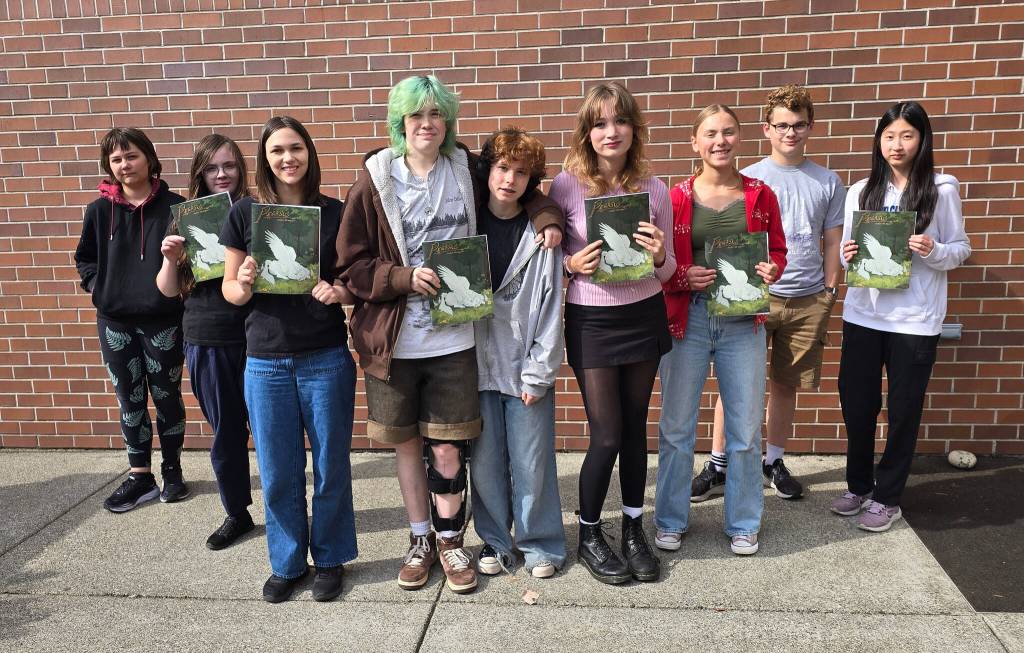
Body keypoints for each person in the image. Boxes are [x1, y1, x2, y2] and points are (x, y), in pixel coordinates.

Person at [337, 75, 562, 596]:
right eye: (416, 115)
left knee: (448, 450)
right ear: (400, 121)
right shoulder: (375, 178)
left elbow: (518, 187)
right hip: (394, 341)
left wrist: (548, 216)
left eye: (436, 114)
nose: (426, 124)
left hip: (456, 341)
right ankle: (419, 538)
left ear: (447, 122)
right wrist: (400, 278)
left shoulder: (464, 164)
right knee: (407, 445)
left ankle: (449, 538)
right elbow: (350, 264)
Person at [221, 116, 358, 603]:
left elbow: (353, 282)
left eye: (296, 148)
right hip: (265, 362)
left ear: (309, 153)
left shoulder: (335, 213)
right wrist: (246, 280)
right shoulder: (245, 214)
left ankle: (330, 558)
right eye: (277, 150)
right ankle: (286, 562)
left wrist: (337, 290)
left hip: (325, 357)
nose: (287, 158)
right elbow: (230, 290)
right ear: (265, 159)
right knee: (278, 470)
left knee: (330, 465)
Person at [695, 85, 845, 502]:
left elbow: (832, 241)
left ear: (810, 127)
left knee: (785, 383)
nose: (790, 133)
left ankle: (773, 461)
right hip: (753, 296)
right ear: (766, 129)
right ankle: (719, 462)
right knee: (733, 382)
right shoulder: (751, 180)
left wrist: (830, 292)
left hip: (807, 296)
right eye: (782, 125)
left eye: (798, 125)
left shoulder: (827, 181)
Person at [550, 81, 673, 584]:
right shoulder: (563, 185)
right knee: (605, 434)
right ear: (586, 131)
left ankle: (634, 528)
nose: (611, 131)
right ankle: (591, 532)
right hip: (592, 320)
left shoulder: (654, 187)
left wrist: (661, 254)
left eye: (620, 121)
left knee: (636, 430)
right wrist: (569, 264)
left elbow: (666, 273)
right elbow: (545, 261)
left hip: (643, 314)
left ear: (633, 129)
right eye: (599, 122)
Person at [831, 101, 970, 532]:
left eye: (907, 135)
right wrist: (845, 253)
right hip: (864, 316)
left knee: (904, 409)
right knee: (857, 405)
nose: (896, 144)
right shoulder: (861, 190)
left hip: (914, 319)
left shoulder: (941, 189)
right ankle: (859, 485)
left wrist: (935, 251)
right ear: (878, 140)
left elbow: (960, 248)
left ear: (921, 140)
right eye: (889, 136)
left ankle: (889, 497)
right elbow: (846, 251)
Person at [655, 104, 786, 556]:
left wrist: (772, 269)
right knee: (676, 427)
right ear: (695, 142)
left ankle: (744, 522)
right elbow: (659, 262)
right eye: (710, 133)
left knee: (746, 428)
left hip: (742, 321)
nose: (720, 141)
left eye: (728, 132)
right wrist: (680, 277)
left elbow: (779, 252)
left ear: (739, 138)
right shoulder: (674, 198)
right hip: (686, 318)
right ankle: (670, 519)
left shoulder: (760, 194)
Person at [470, 127, 567, 580]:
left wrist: (539, 373)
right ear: (487, 169)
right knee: (485, 461)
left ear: (533, 180)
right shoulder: (464, 223)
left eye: (521, 172)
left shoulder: (541, 235)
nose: (509, 179)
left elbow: (551, 308)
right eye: (502, 167)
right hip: (473, 366)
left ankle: (540, 544)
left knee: (532, 460)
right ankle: (494, 541)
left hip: (525, 366)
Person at [74, 127, 188, 513]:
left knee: (167, 396)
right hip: (115, 322)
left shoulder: (176, 207)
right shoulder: (98, 211)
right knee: (130, 399)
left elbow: (189, 264)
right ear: (109, 166)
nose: (125, 164)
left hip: (163, 321)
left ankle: (172, 470)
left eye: (132, 156)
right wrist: (96, 286)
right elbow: (85, 258)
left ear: (149, 159)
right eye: (117, 159)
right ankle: (140, 475)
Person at [156, 134, 256, 550]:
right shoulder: (185, 219)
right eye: (212, 168)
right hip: (208, 338)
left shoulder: (258, 211)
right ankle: (237, 512)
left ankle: (289, 513)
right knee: (226, 433)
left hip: (260, 337)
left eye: (228, 166)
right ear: (200, 173)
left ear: (241, 169)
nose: (221, 174)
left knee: (272, 432)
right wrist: (169, 258)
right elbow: (166, 290)